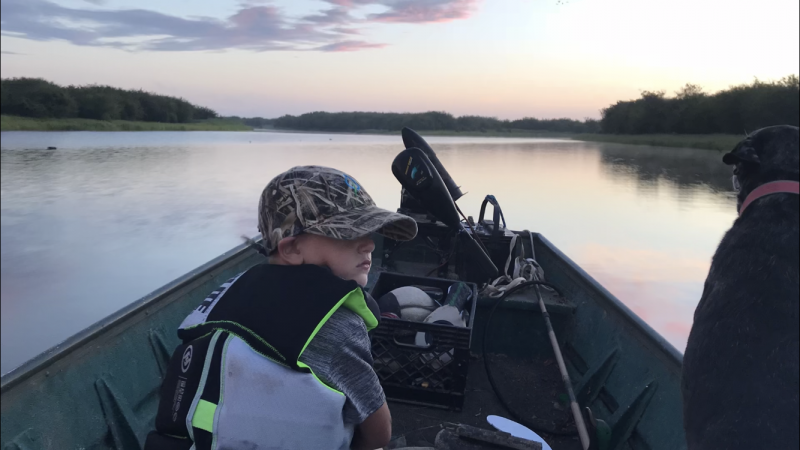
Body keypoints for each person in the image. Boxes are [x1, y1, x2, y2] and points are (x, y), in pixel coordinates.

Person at [144, 166, 418, 450]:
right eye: (349, 233)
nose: (370, 244)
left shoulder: (229, 295)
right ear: (292, 249)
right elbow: (378, 432)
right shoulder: (335, 324)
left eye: (370, 230)